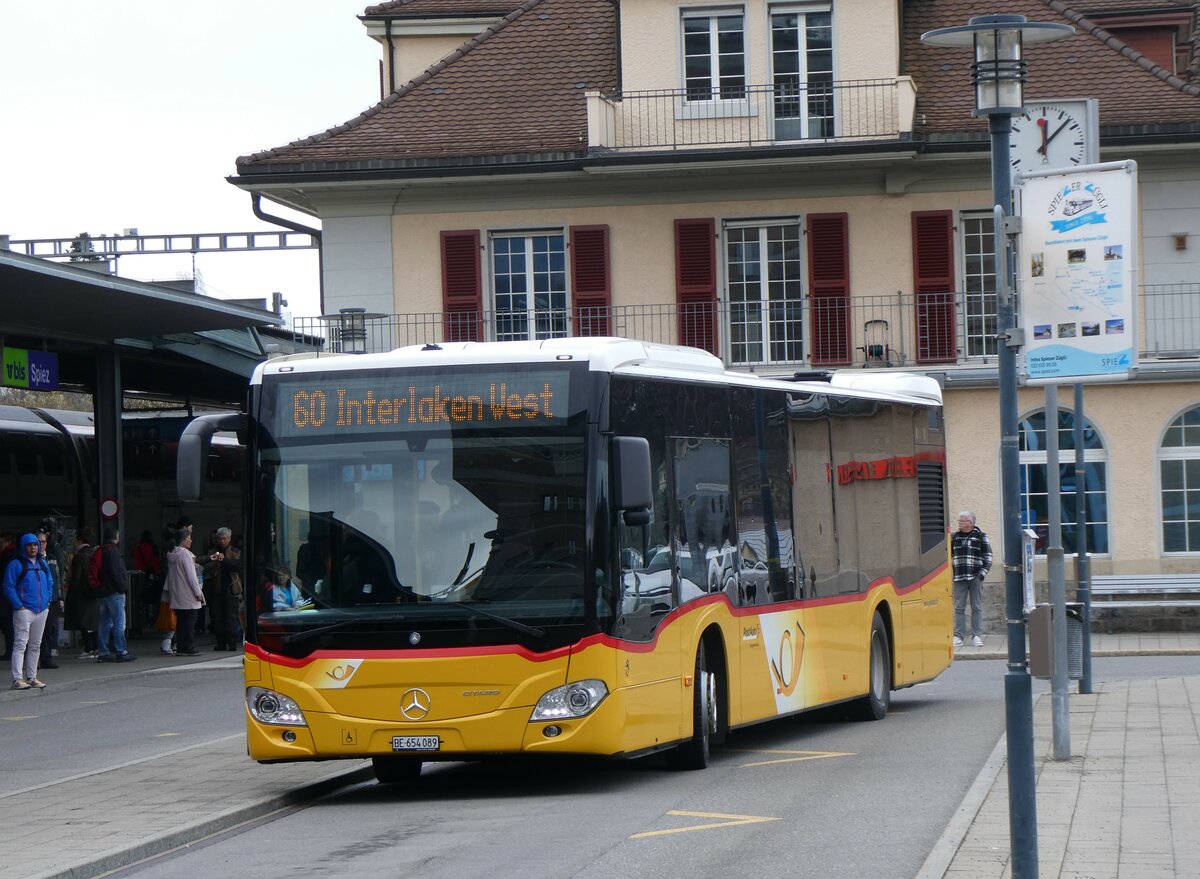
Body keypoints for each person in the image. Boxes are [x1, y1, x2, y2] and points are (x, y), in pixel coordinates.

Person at [3, 533, 54, 689]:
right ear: (24, 547)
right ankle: (17, 679)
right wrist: (18, 605)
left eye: (35, 544)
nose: (33, 547)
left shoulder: (42, 564)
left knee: (34, 645)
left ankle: (32, 677)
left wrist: (47, 600)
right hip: (25, 610)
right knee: (21, 644)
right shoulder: (16, 564)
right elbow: (8, 586)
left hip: (40, 609)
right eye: (29, 545)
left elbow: (50, 582)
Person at [952, 511, 993, 649]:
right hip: (959, 577)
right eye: (959, 521)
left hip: (975, 577)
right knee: (959, 608)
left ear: (970, 523)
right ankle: (959, 636)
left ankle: (976, 636)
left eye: (962, 521)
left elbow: (988, 557)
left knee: (976, 607)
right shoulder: (954, 537)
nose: (960, 523)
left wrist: (981, 574)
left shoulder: (981, 536)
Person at [95, 526, 137, 663]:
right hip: (114, 592)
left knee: (104, 623)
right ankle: (121, 650)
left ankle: (103, 651)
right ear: (116, 537)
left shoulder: (100, 550)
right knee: (119, 622)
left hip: (102, 592)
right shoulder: (113, 551)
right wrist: (123, 588)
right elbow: (117, 572)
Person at [203, 526, 243, 651]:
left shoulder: (236, 552)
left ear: (229, 539)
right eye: (219, 539)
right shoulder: (212, 552)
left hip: (231, 588)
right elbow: (205, 567)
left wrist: (224, 560)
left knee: (231, 617)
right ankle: (220, 643)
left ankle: (232, 643)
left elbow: (238, 566)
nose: (221, 541)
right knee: (218, 618)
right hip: (216, 588)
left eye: (224, 539)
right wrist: (214, 561)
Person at [166, 528, 205, 656]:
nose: (191, 541)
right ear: (183, 541)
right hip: (188, 595)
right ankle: (188, 647)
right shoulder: (185, 554)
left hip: (177, 594)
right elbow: (191, 577)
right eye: (189, 539)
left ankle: (181, 646)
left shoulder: (172, 554)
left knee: (181, 622)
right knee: (189, 622)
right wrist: (198, 593)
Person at [65, 527, 100, 658]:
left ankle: (88, 648)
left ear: (79, 540)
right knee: (93, 622)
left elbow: (76, 578)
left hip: (81, 592)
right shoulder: (93, 553)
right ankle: (96, 647)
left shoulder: (79, 556)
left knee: (83, 622)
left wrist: (70, 592)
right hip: (93, 591)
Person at [36, 527, 64, 669]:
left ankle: (46, 658)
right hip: (37, 600)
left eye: (44, 542)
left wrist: (60, 597)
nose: (41, 545)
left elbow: (58, 579)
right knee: (35, 632)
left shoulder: (52, 559)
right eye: (39, 542)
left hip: (52, 599)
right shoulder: (32, 560)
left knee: (49, 630)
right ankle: (35, 660)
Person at [132, 530, 162, 628]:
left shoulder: (138, 547)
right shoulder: (153, 546)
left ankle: (140, 621)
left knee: (140, 598)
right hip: (151, 574)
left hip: (139, 575)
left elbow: (135, 557)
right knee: (153, 596)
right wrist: (157, 572)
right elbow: (155, 561)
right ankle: (152, 618)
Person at [0, 531, 16, 661]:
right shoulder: (10, 555)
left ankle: (10, 650)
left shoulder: (8, 556)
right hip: (6, 593)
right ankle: (10, 650)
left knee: (7, 623)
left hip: (5, 594)